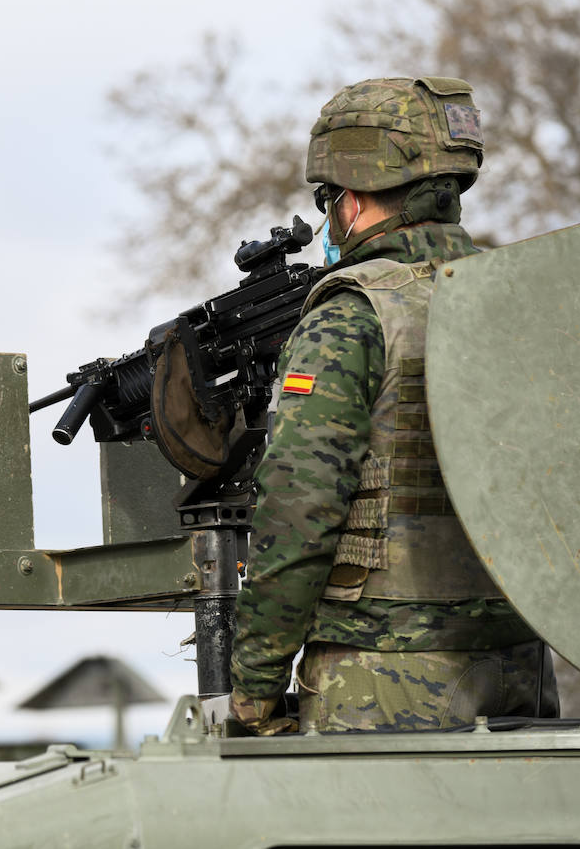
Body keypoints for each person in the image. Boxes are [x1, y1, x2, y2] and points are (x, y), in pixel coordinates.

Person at [229, 76, 558, 734]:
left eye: (328, 201)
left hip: (384, 678)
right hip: (523, 666)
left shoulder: (351, 317)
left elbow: (299, 510)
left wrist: (254, 690)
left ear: (351, 199)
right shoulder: (526, 303)